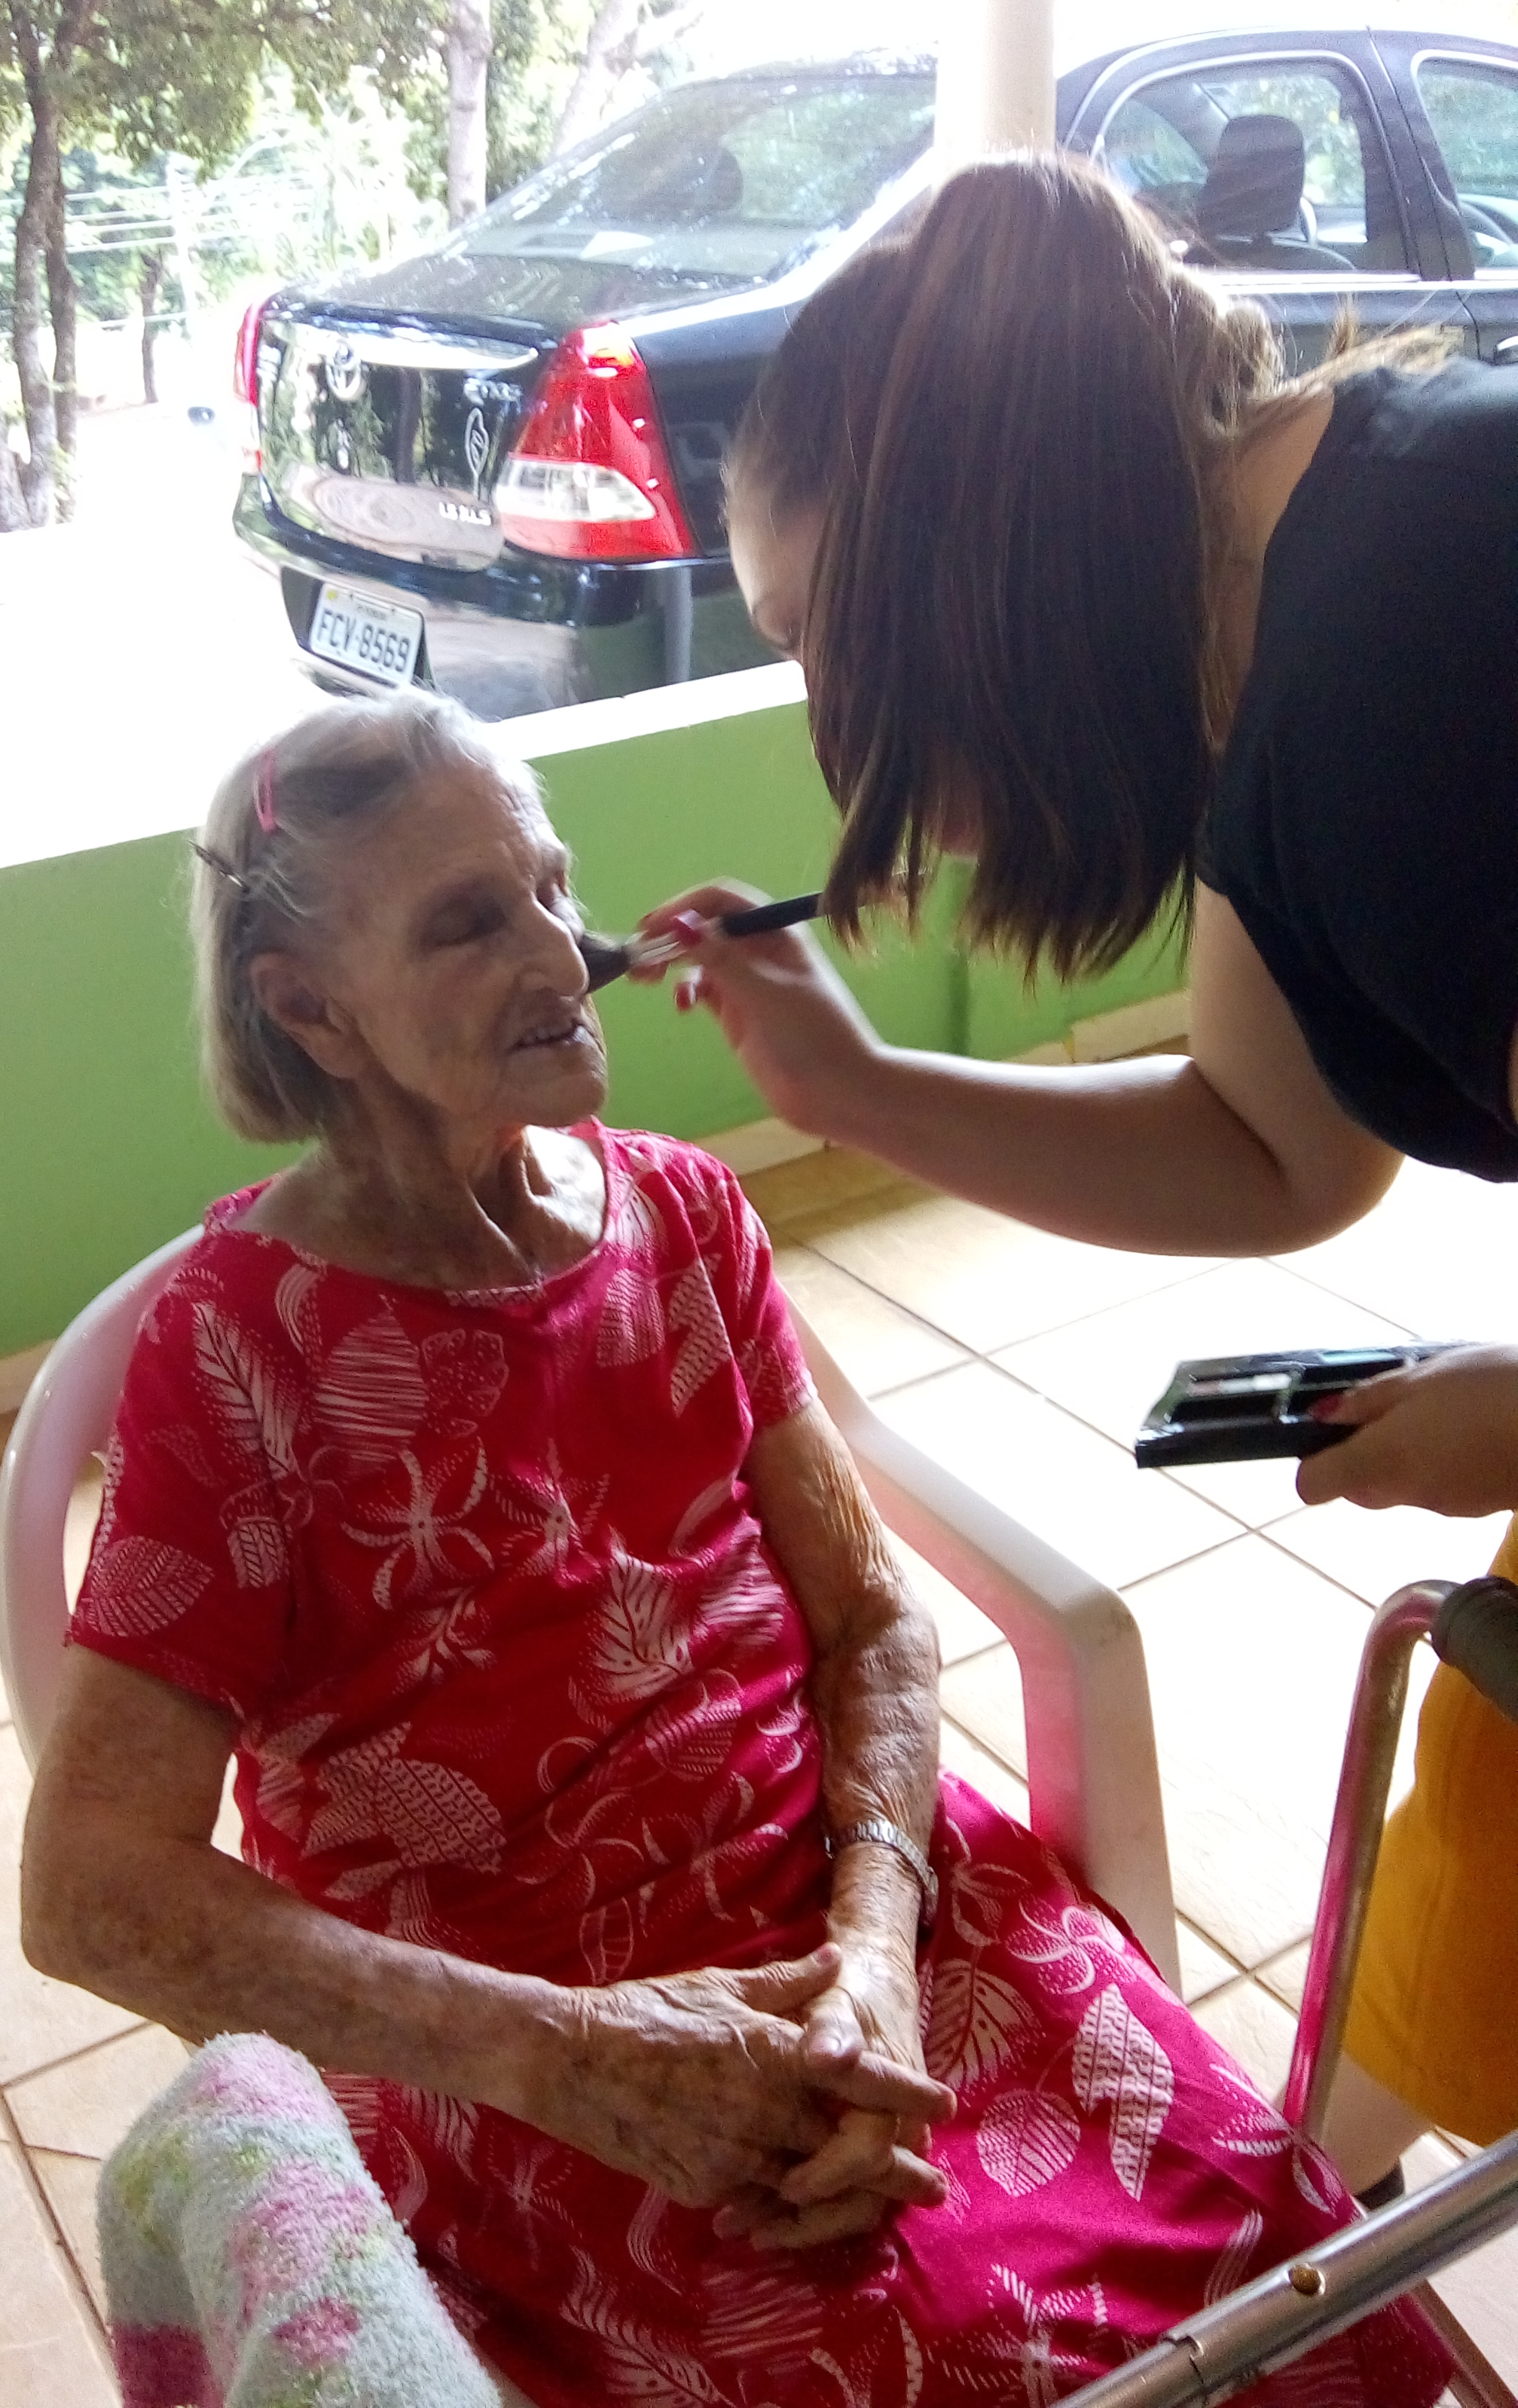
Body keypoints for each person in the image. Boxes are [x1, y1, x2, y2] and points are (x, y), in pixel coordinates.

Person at [22, 692, 1444, 2408]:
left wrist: (875, 1948)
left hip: (866, 1895)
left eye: (553, 887)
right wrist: (579, 2058)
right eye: (469, 923)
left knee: (1290, 2265)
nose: (561, 951)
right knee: (956, 2358)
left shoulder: (684, 1213)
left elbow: (872, 1626)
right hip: (522, 2038)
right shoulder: (237, 1347)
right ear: (309, 1009)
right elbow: (89, 1889)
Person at [640, 151, 1518, 2201]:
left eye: (820, 640)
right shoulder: (1285, 630)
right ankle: (1315, 2223)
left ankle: (1312, 2234)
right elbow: (1272, 1147)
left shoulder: (1407, 664)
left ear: (958, 554)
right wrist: (852, 1087)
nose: (832, 734)